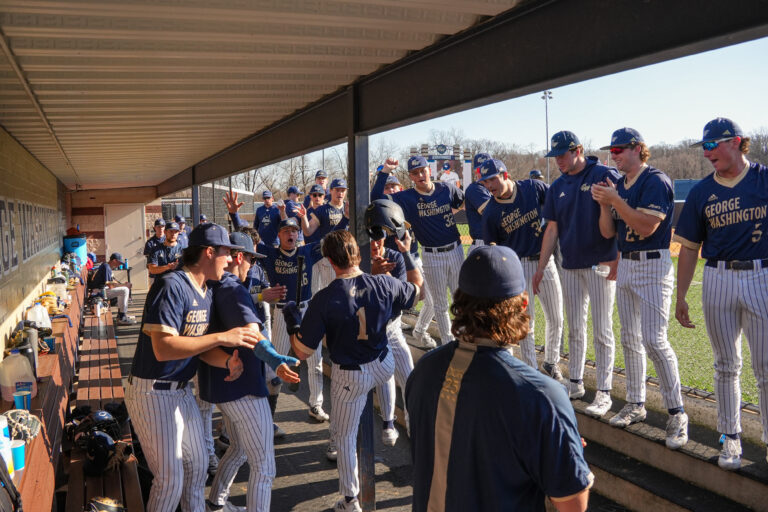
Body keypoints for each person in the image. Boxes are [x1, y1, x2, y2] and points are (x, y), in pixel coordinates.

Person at [405, 245, 592, 512]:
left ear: (459, 300)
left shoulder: (424, 370)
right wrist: (568, 456)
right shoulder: (543, 397)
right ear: (523, 304)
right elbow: (573, 505)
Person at [125, 222, 261, 512]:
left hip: (181, 391)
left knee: (198, 468)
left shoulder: (206, 290)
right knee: (170, 480)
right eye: (226, 252)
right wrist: (223, 337)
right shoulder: (171, 284)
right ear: (209, 252)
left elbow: (197, 346)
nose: (230, 259)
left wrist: (225, 359)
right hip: (152, 391)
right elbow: (164, 348)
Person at [288, 230, 422, 512]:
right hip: (382, 363)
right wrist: (407, 252)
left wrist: (292, 324)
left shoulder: (324, 298)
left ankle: (350, 500)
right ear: (358, 255)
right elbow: (417, 289)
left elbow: (302, 352)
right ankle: (388, 423)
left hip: (351, 374)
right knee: (385, 367)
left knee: (345, 437)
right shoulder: (384, 283)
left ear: (330, 261)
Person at [674, 117, 768, 470]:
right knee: (726, 365)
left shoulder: (763, 179)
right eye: (704, 146)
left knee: (766, 366)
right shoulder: (700, 192)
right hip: (717, 277)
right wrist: (681, 295)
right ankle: (731, 437)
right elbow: (687, 248)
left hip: (762, 274)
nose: (706, 152)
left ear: (737, 142)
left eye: (713, 145)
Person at [592, 127, 688, 449]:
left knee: (654, 340)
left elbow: (647, 227)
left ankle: (677, 412)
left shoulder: (655, 180)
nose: (614, 155)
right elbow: (608, 233)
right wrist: (605, 205)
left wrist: (615, 199)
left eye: (619, 149)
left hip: (652, 263)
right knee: (630, 338)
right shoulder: (618, 185)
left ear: (637, 149)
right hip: (628, 263)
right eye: (612, 150)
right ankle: (636, 403)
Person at [199, 230, 299, 512]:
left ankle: (216, 502)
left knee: (240, 449)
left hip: (219, 385)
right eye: (252, 260)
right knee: (265, 467)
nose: (253, 266)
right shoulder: (231, 287)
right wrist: (276, 359)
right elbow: (254, 334)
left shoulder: (210, 284)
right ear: (239, 257)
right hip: (241, 389)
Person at [533, 130, 620, 418]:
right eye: (554, 156)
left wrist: (619, 256)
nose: (558, 160)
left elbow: (620, 214)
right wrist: (541, 266)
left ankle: (604, 392)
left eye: (562, 154)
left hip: (602, 262)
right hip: (569, 264)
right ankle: (576, 382)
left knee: (602, 328)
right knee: (575, 328)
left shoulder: (603, 173)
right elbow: (552, 229)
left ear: (578, 150)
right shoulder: (557, 184)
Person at [480, 158, 565, 383]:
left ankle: (551, 362)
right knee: (525, 322)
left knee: (556, 317)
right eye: (485, 182)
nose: (489, 185)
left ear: (505, 175)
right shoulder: (491, 211)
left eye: (492, 179)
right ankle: (531, 369)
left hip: (544, 261)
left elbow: (556, 201)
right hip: (517, 266)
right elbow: (493, 249)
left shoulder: (532, 187)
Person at [372, 156, 465, 346]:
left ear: (429, 170)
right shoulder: (406, 198)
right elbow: (376, 198)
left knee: (461, 300)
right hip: (431, 255)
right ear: (411, 177)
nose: (420, 175)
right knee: (439, 305)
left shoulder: (446, 188)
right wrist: (386, 171)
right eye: (415, 173)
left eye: (422, 170)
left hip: (456, 250)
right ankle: (449, 344)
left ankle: (463, 339)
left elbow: (464, 203)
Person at [259, 218, 327, 422]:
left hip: (307, 310)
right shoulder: (270, 253)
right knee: (275, 362)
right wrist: (235, 215)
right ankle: (269, 412)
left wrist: (347, 217)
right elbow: (251, 240)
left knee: (316, 362)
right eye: (286, 230)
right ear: (279, 235)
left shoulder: (306, 251)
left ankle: (315, 405)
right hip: (282, 311)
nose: (291, 234)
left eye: (294, 231)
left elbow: (332, 240)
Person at [366, 199, 421, 440]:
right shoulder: (356, 258)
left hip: (394, 326)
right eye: (372, 238)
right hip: (368, 329)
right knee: (383, 374)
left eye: (380, 238)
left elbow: (406, 298)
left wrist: (386, 276)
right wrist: (373, 275)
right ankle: (388, 423)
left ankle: (413, 428)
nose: (377, 243)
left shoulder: (394, 257)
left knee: (409, 376)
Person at [380, 173, 436, 349]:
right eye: (387, 187)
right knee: (393, 301)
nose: (391, 189)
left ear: (400, 189)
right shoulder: (383, 211)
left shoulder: (410, 207)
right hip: (393, 261)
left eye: (394, 186)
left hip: (413, 258)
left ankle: (419, 330)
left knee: (432, 297)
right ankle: (392, 333)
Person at [296, 177, 350, 294]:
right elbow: (308, 231)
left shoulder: (349, 207)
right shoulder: (322, 209)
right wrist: (304, 217)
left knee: (343, 290)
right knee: (324, 289)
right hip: (327, 256)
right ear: (330, 191)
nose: (340, 193)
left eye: (343, 190)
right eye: (337, 190)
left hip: (346, 254)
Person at [90, 252, 136, 325]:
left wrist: (122, 284)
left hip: (102, 290)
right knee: (124, 290)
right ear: (114, 260)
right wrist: (124, 285)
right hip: (100, 292)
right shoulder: (106, 267)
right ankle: (122, 317)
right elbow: (110, 285)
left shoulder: (107, 266)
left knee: (123, 289)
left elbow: (112, 281)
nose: (120, 265)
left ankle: (121, 315)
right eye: (119, 263)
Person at [463, 152, 493, 252]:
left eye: (487, 168)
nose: (484, 172)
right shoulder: (475, 189)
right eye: (481, 169)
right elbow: (492, 213)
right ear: (476, 171)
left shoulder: (491, 188)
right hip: (483, 244)